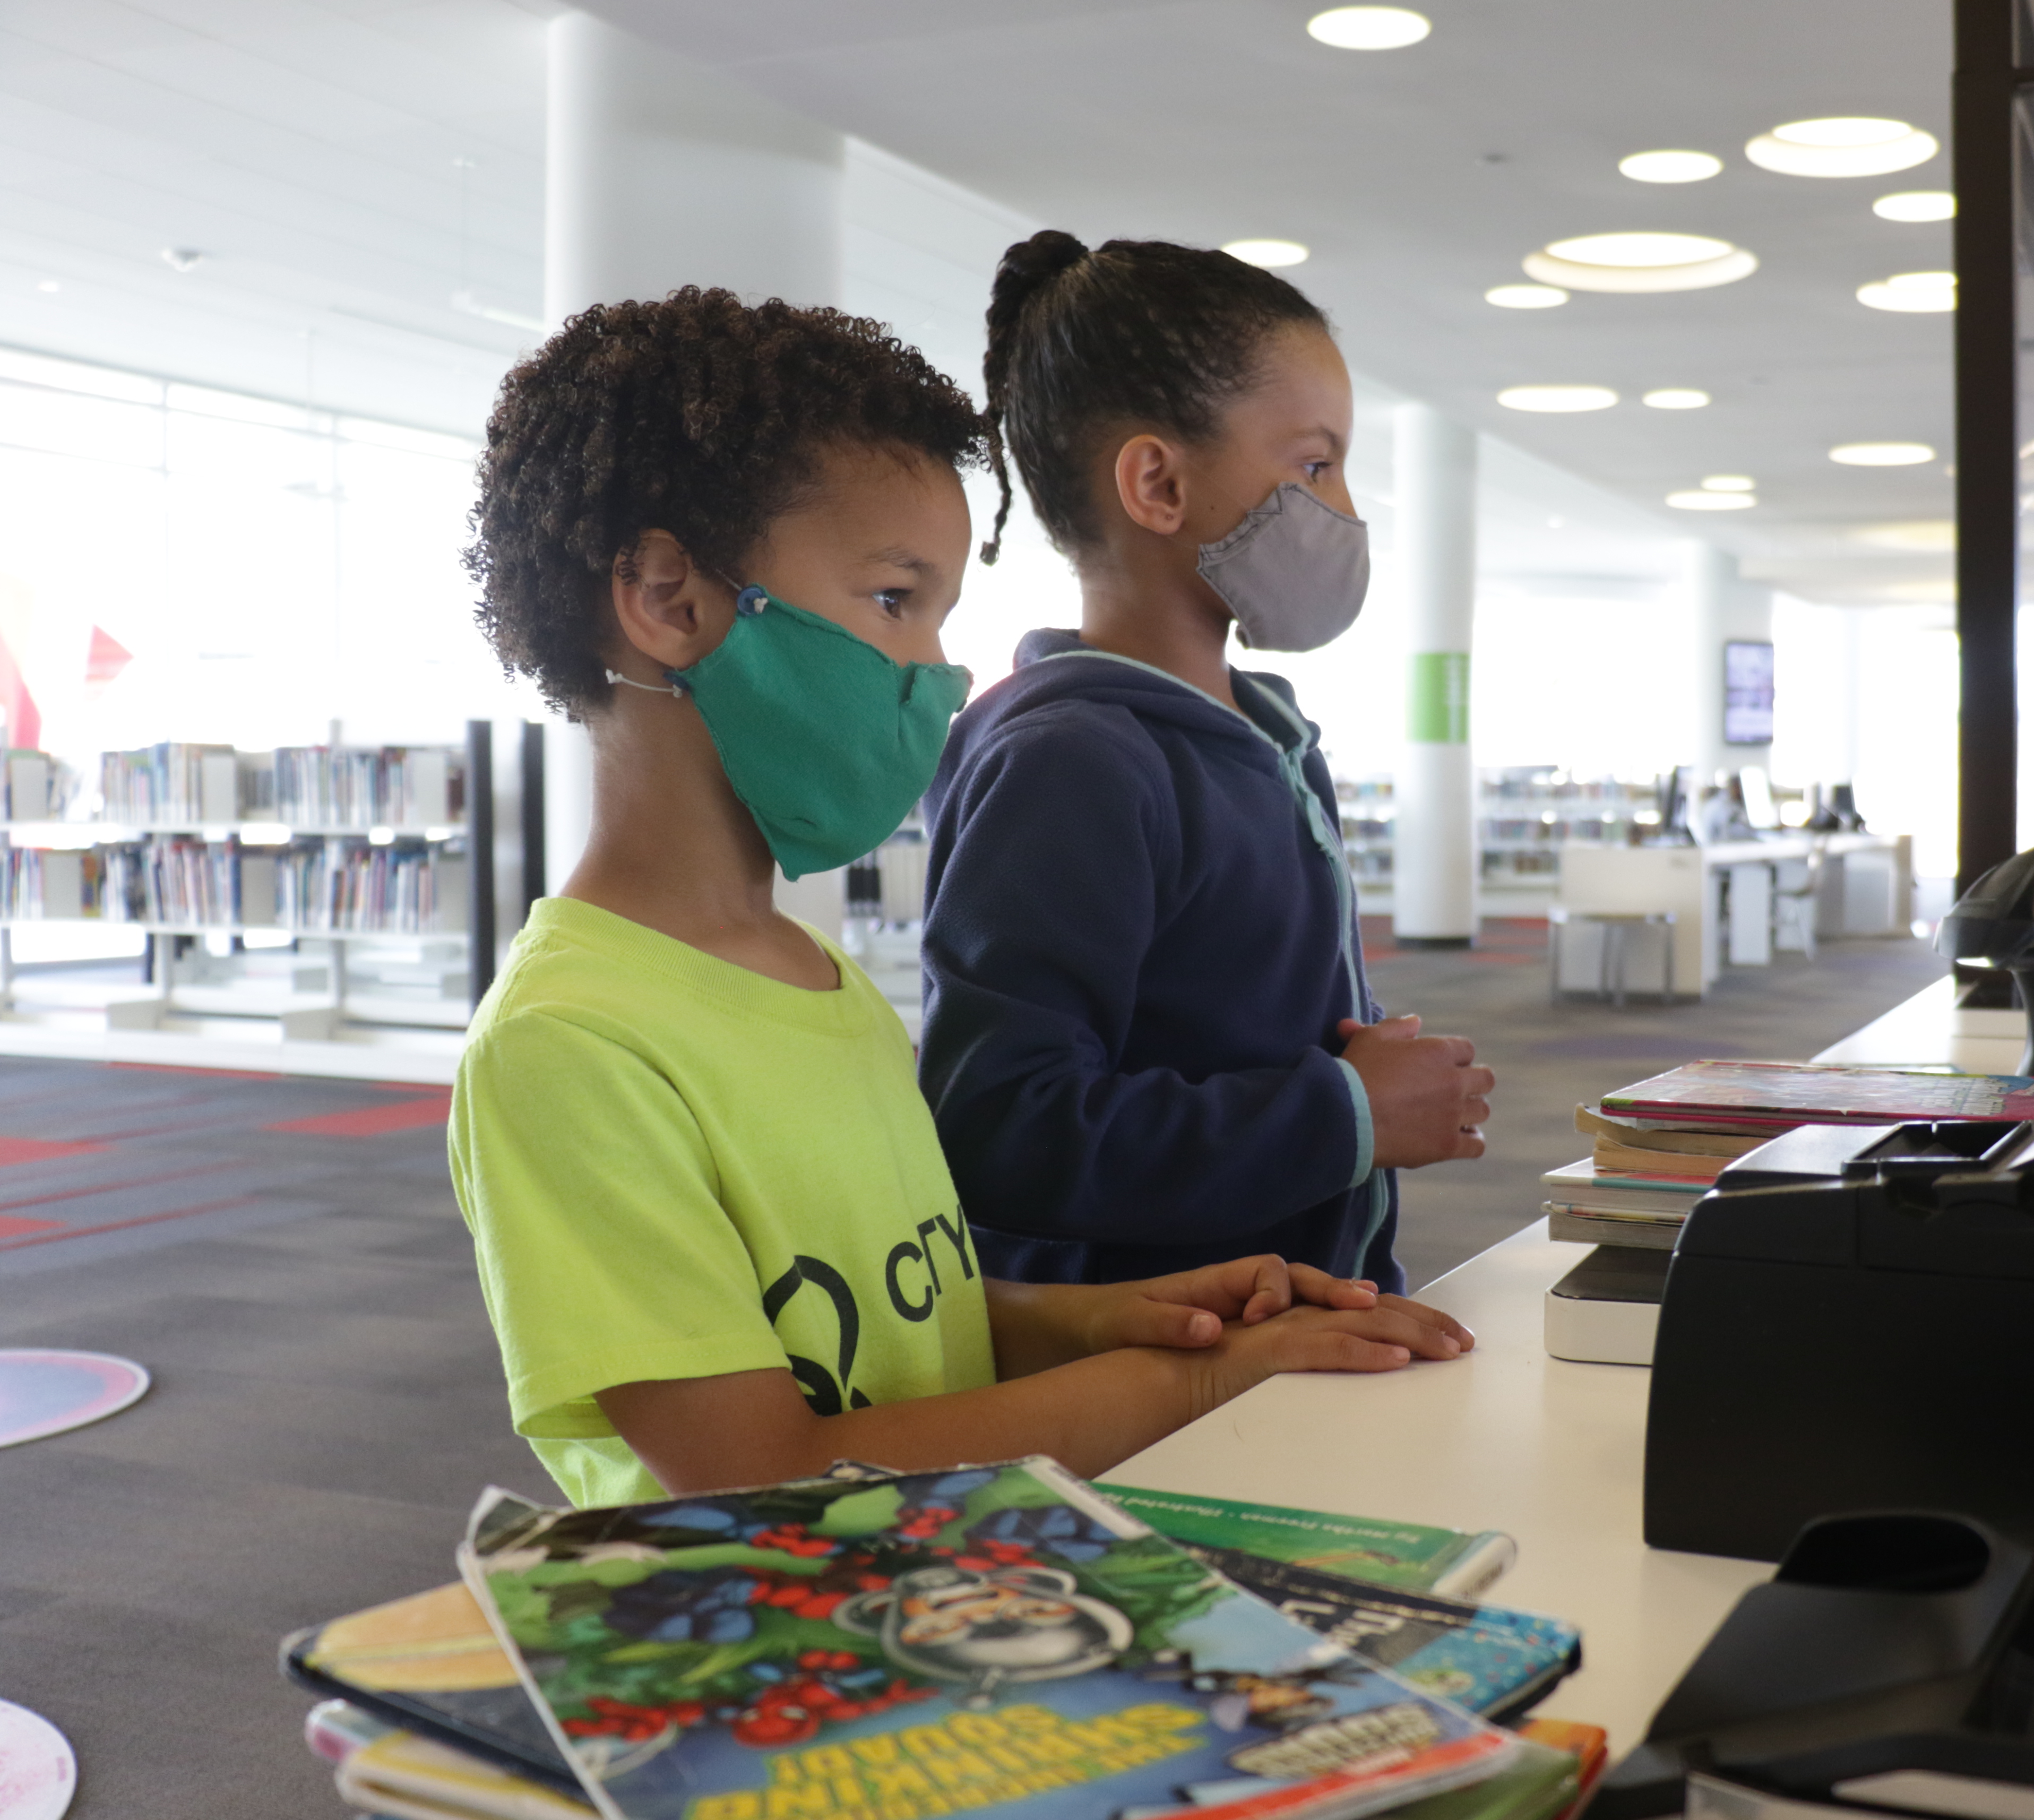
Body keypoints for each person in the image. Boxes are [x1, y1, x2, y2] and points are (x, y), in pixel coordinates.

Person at [449, 287, 1469, 1507]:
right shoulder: (572, 1045)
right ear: (671, 601)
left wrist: (1122, 1323)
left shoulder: (806, 976)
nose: (936, 672)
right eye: (893, 601)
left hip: (949, 1587)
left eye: (939, 613)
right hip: (790, 1646)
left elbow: (897, 1313)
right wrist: (1192, 1387)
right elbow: (759, 1473)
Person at [915, 235, 1493, 1292]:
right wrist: (1347, 1113)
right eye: (1315, 464)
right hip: (1151, 1392)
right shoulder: (1074, 762)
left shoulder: (1263, 736)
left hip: (1284, 1350)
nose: (1345, 509)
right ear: (1158, 483)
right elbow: (1003, 1132)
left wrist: (1347, 1079)